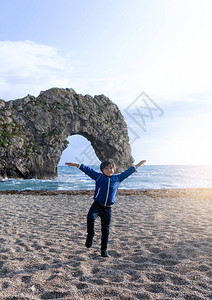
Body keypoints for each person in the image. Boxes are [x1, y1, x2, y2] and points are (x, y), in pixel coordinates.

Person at [65, 159, 146, 257]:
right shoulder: (98, 177)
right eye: (106, 168)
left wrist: (137, 165)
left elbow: (128, 172)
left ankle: (103, 251)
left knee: (105, 230)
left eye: (111, 168)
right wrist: (77, 165)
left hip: (108, 209)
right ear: (102, 170)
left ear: (114, 169)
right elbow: (88, 170)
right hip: (97, 205)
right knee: (90, 217)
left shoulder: (118, 178)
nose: (109, 170)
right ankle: (90, 235)